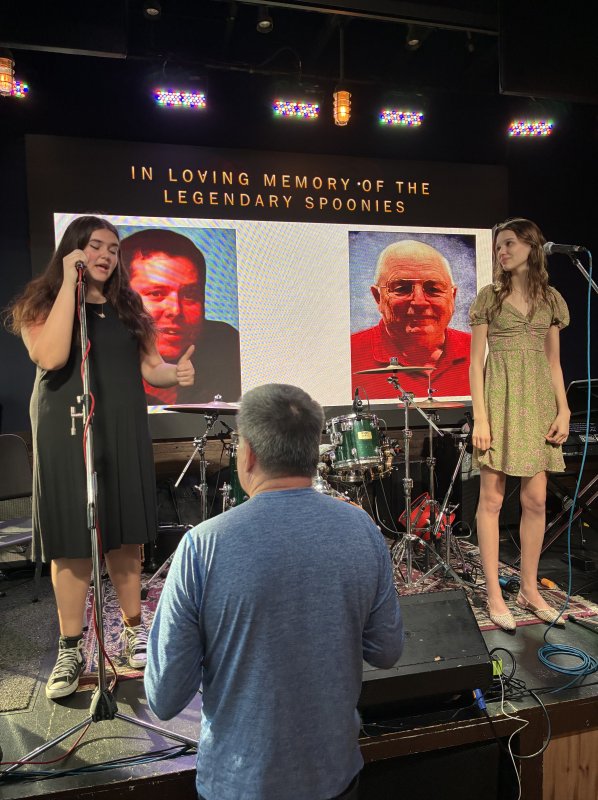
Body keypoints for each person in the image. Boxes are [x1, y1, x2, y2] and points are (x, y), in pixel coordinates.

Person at [145, 383, 404, 800]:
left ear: (247, 454)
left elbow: (164, 697)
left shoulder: (203, 546)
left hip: (237, 787)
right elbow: (387, 651)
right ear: (314, 453)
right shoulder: (363, 531)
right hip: (336, 780)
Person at [6, 215, 195, 699]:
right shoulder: (40, 304)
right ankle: (72, 647)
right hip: (64, 428)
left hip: (121, 426)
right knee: (71, 537)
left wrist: (177, 373)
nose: (107, 256)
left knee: (125, 531)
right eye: (95, 246)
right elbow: (50, 358)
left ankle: (133, 631)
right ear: (72, 251)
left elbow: (153, 367)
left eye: (113, 248)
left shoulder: (130, 309)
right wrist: (70, 287)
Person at [469, 218, 569, 631]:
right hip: (499, 401)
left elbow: (553, 362)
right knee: (492, 500)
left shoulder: (551, 300)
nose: (501, 252)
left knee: (536, 501)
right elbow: (476, 362)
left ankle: (529, 587)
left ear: (532, 247)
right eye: (497, 247)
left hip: (538, 403)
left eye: (509, 244)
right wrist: (481, 416)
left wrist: (563, 410)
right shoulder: (489, 298)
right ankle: (494, 592)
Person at [121, 228, 241, 406]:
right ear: (121, 298)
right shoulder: (96, 351)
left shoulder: (227, 348)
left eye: (190, 295)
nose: (176, 310)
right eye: (156, 293)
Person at [350, 239, 471, 399]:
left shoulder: (481, 351)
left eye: (433, 289)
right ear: (377, 297)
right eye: (401, 289)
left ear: (453, 296)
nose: (419, 302)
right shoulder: (348, 355)